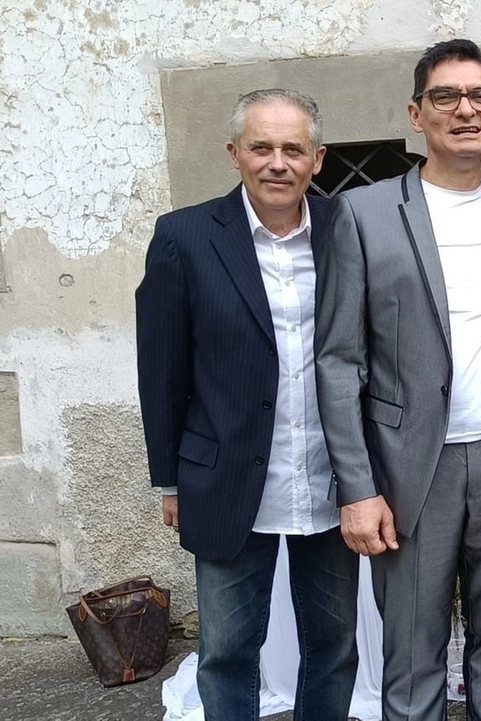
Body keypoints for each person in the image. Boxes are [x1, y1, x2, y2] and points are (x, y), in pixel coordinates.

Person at [314, 38, 481, 721]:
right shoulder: (362, 214)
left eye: (479, 96)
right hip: (411, 467)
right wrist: (356, 488)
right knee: (411, 652)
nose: (464, 110)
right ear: (416, 115)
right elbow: (337, 361)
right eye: (445, 97)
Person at [136, 88, 358, 720]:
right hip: (228, 479)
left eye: (294, 148)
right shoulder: (183, 237)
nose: (277, 162)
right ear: (234, 153)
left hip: (331, 475)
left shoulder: (348, 229)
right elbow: (161, 369)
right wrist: (170, 479)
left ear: (318, 159)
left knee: (334, 646)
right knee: (229, 651)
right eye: (261, 147)